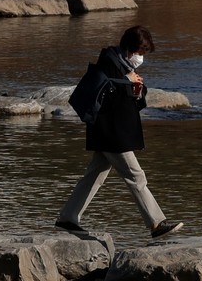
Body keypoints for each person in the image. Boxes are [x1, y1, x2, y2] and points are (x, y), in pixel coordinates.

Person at [56, 25, 184, 239]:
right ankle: (156, 224)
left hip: (110, 133)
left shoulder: (122, 65)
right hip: (111, 134)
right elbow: (104, 89)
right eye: (140, 53)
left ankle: (67, 218)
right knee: (136, 176)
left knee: (94, 175)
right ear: (130, 48)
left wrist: (137, 90)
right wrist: (128, 81)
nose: (141, 58)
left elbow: (125, 99)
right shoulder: (109, 63)